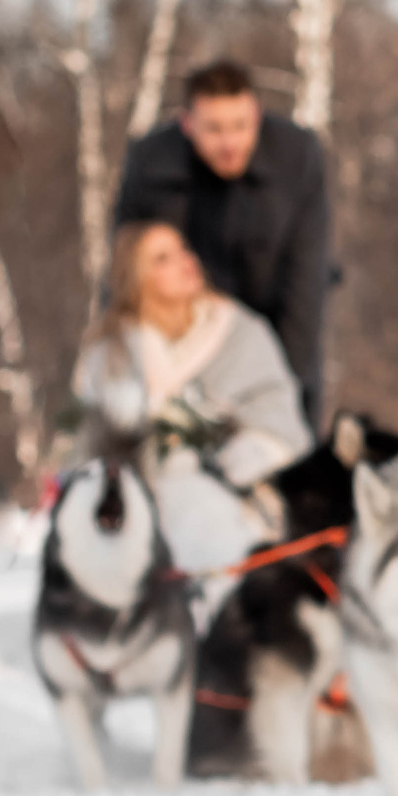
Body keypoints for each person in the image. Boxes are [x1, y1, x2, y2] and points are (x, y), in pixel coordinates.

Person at [75, 221, 313, 572]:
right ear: (136, 277)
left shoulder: (242, 332)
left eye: (184, 249)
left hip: (240, 495)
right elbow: (85, 441)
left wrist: (256, 448)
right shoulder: (109, 353)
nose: (187, 261)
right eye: (162, 259)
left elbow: (279, 411)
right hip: (138, 513)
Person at [114, 58, 334, 430]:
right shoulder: (150, 164)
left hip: (276, 321)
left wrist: (287, 392)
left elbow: (306, 282)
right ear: (187, 124)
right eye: (214, 129)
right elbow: (128, 273)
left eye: (240, 126)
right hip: (183, 337)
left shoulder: (298, 156)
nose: (230, 143)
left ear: (257, 116)